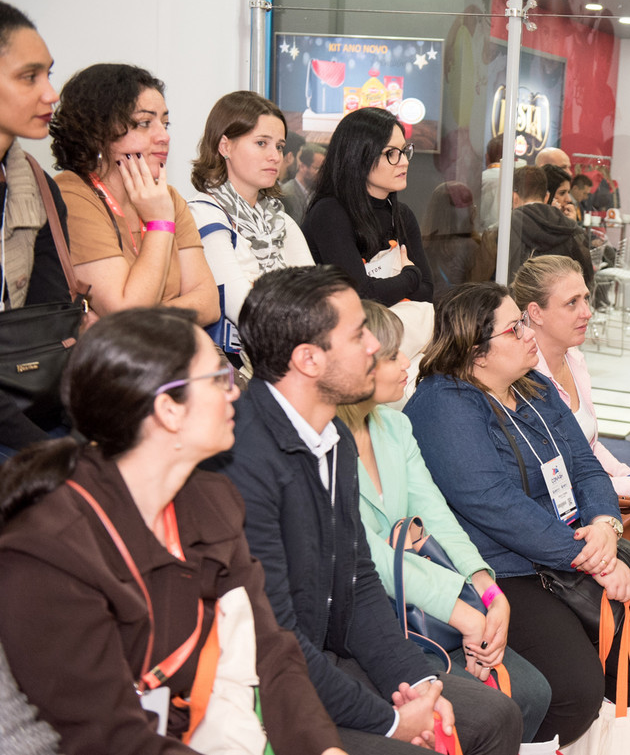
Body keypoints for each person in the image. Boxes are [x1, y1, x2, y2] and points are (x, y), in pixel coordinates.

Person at [0, 306, 346, 754]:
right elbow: (108, 738)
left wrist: (321, 747)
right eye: (218, 378)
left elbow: (271, 650)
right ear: (168, 409)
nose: (234, 391)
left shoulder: (212, 499)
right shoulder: (48, 548)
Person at [207, 265, 521, 755]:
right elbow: (275, 638)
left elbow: (358, 581)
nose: (374, 346)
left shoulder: (332, 437)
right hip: (261, 685)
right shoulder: (243, 460)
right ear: (309, 359)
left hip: (323, 652)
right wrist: (392, 721)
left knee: (493, 717)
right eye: (358, 336)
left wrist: (417, 683)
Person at [404, 281, 630, 745]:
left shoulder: (532, 386)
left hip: (571, 547)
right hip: (504, 568)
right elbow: (493, 502)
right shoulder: (443, 403)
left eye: (523, 322)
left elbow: (586, 466)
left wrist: (605, 525)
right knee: (574, 692)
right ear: (476, 352)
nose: (529, 333)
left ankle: (608, 737)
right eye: (514, 328)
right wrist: (594, 559)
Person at [338, 300, 551, 743]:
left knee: (533, 692)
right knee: (493, 711)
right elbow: (369, 557)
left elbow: (438, 517)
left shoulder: (394, 427)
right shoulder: (325, 443)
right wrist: (463, 612)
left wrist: (488, 591)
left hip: (422, 606)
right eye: (391, 355)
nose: (406, 363)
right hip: (367, 619)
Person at [511, 255, 630, 619]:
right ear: (535, 312)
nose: (587, 311)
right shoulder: (525, 381)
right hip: (561, 522)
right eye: (572, 303)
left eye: (586, 298)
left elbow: (589, 444)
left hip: (592, 503)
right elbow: (559, 476)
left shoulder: (574, 360)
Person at [49, 63, 219, 325]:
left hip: (172, 347)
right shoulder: (72, 195)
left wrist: (135, 320)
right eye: (144, 123)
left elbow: (208, 304)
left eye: (165, 123)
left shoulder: (167, 197)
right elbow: (126, 311)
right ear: (98, 131)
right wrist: (160, 223)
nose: (164, 136)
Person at [0, 2, 74, 455]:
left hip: (26, 411)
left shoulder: (37, 185)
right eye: (29, 77)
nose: (51, 93)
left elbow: (51, 324)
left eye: (49, 74)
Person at [189, 91, 314, 359]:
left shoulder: (279, 218)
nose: (275, 156)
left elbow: (318, 300)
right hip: (232, 363)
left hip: (292, 352)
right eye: (261, 143)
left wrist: (264, 291)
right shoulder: (204, 214)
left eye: (279, 146)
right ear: (225, 146)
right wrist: (289, 297)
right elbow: (246, 311)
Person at [302, 108, 433, 306]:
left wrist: (390, 286)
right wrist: (410, 276)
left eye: (404, 151)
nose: (404, 162)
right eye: (391, 153)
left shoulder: (402, 215)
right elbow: (360, 295)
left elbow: (427, 291)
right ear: (358, 157)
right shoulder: (330, 213)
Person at [509, 165, 593, 289]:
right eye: (562, 193)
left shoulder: (507, 227)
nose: (568, 199)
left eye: (568, 193)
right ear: (547, 196)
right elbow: (587, 280)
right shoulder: (572, 233)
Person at [421, 181, 493, 300]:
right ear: (470, 212)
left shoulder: (422, 244)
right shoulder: (472, 246)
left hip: (430, 307)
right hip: (461, 307)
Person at [281, 142, 326, 224]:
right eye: (318, 169)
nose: (322, 174)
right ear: (302, 167)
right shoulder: (287, 195)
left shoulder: (316, 193)